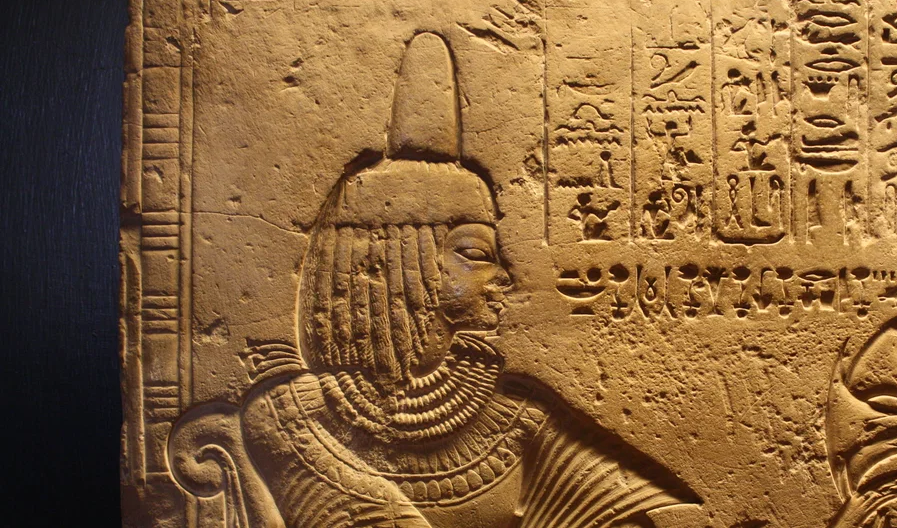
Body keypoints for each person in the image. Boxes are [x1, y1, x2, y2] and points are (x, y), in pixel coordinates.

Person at [173, 33, 697, 528]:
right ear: (395, 263)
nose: (505, 277)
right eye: (475, 255)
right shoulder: (288, 422)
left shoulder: (520, 421)